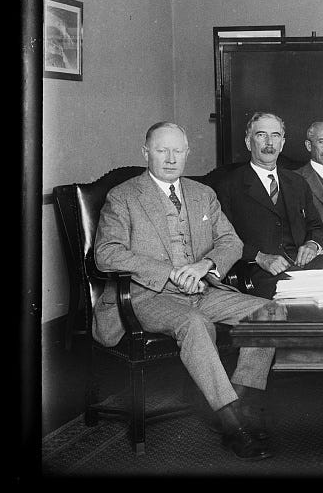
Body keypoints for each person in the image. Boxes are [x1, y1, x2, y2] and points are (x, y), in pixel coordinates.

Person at [93, 122, 281, 460]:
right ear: (145, 152)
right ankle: (233, 425)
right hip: (146, 296)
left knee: (270, 311)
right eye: (161, 150)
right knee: (195, 323)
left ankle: (235, 403)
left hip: (203, 290)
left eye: (177, 151)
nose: (170, 158)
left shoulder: (202, 194)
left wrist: (204, 266)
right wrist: (169, 272)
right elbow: (107, 254)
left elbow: (231, 242)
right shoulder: (123, 196)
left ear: (187, 153)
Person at [214, 112, 323, 299]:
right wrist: (259, 257)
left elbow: (315, 226)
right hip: (261, 271)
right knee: (314, 296)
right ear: (248, 142)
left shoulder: (297, 182)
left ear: (282, 143)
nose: (269, 143)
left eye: (275, 136)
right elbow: (222, 239)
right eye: (261, 135)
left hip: (304, 265)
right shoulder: (228, 185)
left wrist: (312, 245)